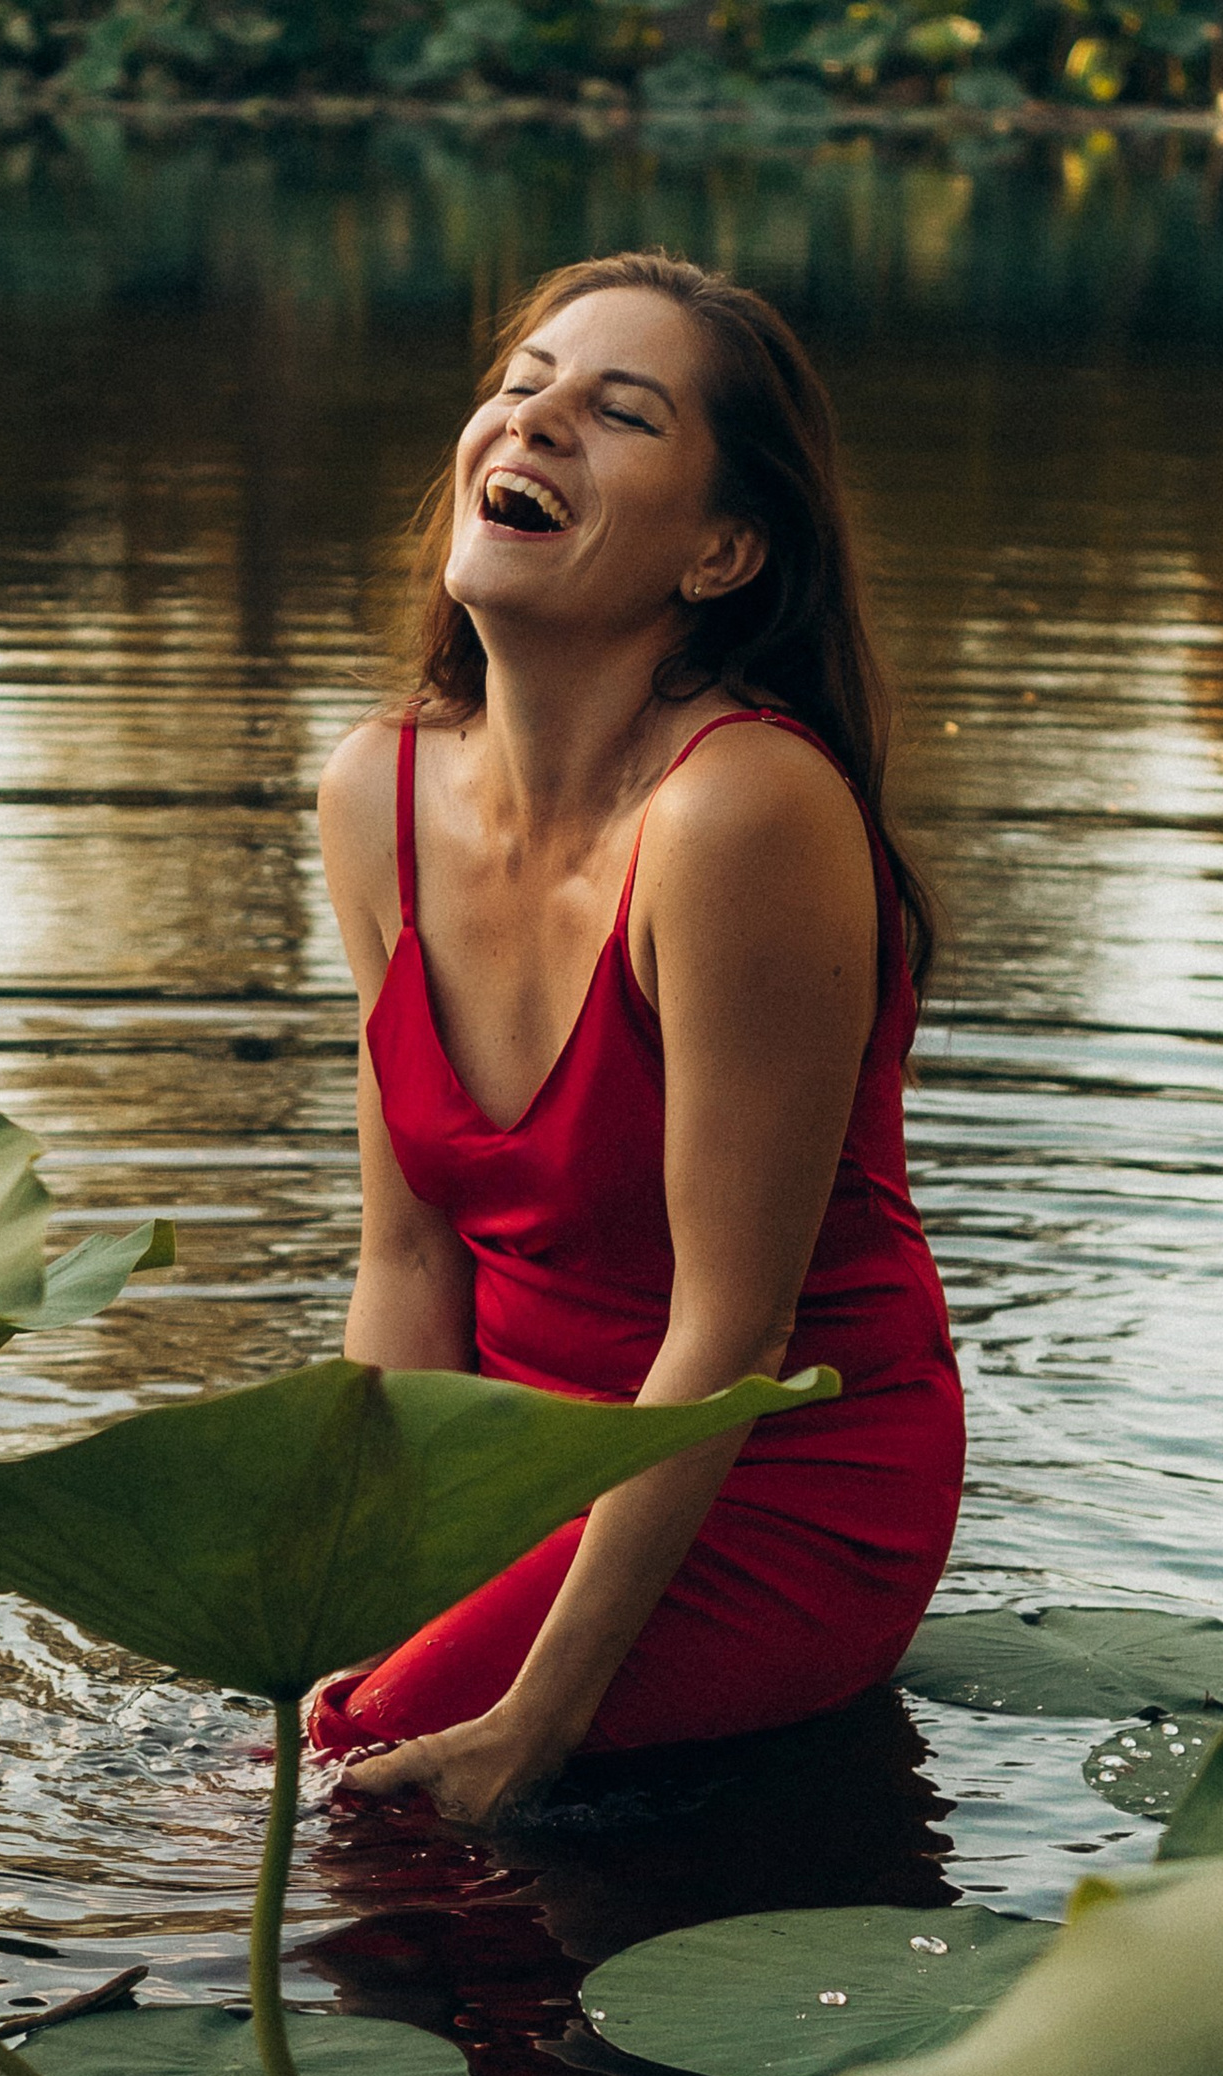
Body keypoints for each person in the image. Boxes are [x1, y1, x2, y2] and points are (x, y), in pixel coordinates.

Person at [308, 246, 965, 1830]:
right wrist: (344, 1597)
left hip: (780, 1469)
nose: (530, 426)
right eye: (520, 386)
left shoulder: (741, 812)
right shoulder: (376, 794)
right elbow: (408, 1267)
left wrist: (531, 1715)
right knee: (318, 1725)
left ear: (724, 550)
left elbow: (732, 1337)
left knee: (343, 1796)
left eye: (616, 413)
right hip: (516, 1458)